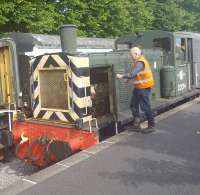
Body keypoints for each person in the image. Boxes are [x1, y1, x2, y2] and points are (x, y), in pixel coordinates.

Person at [116, 47, 155, 133]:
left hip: (144, 88)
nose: (130, 57)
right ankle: (136, 125)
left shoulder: (141, 62)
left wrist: (121, 76)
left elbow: (132, 73)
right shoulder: (137, 62)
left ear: (136, 54)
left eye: (131, 55)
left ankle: (151, 125)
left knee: (145, 107)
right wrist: (128, 80)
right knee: (133, 105)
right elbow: (134, 74)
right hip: (138, 88)